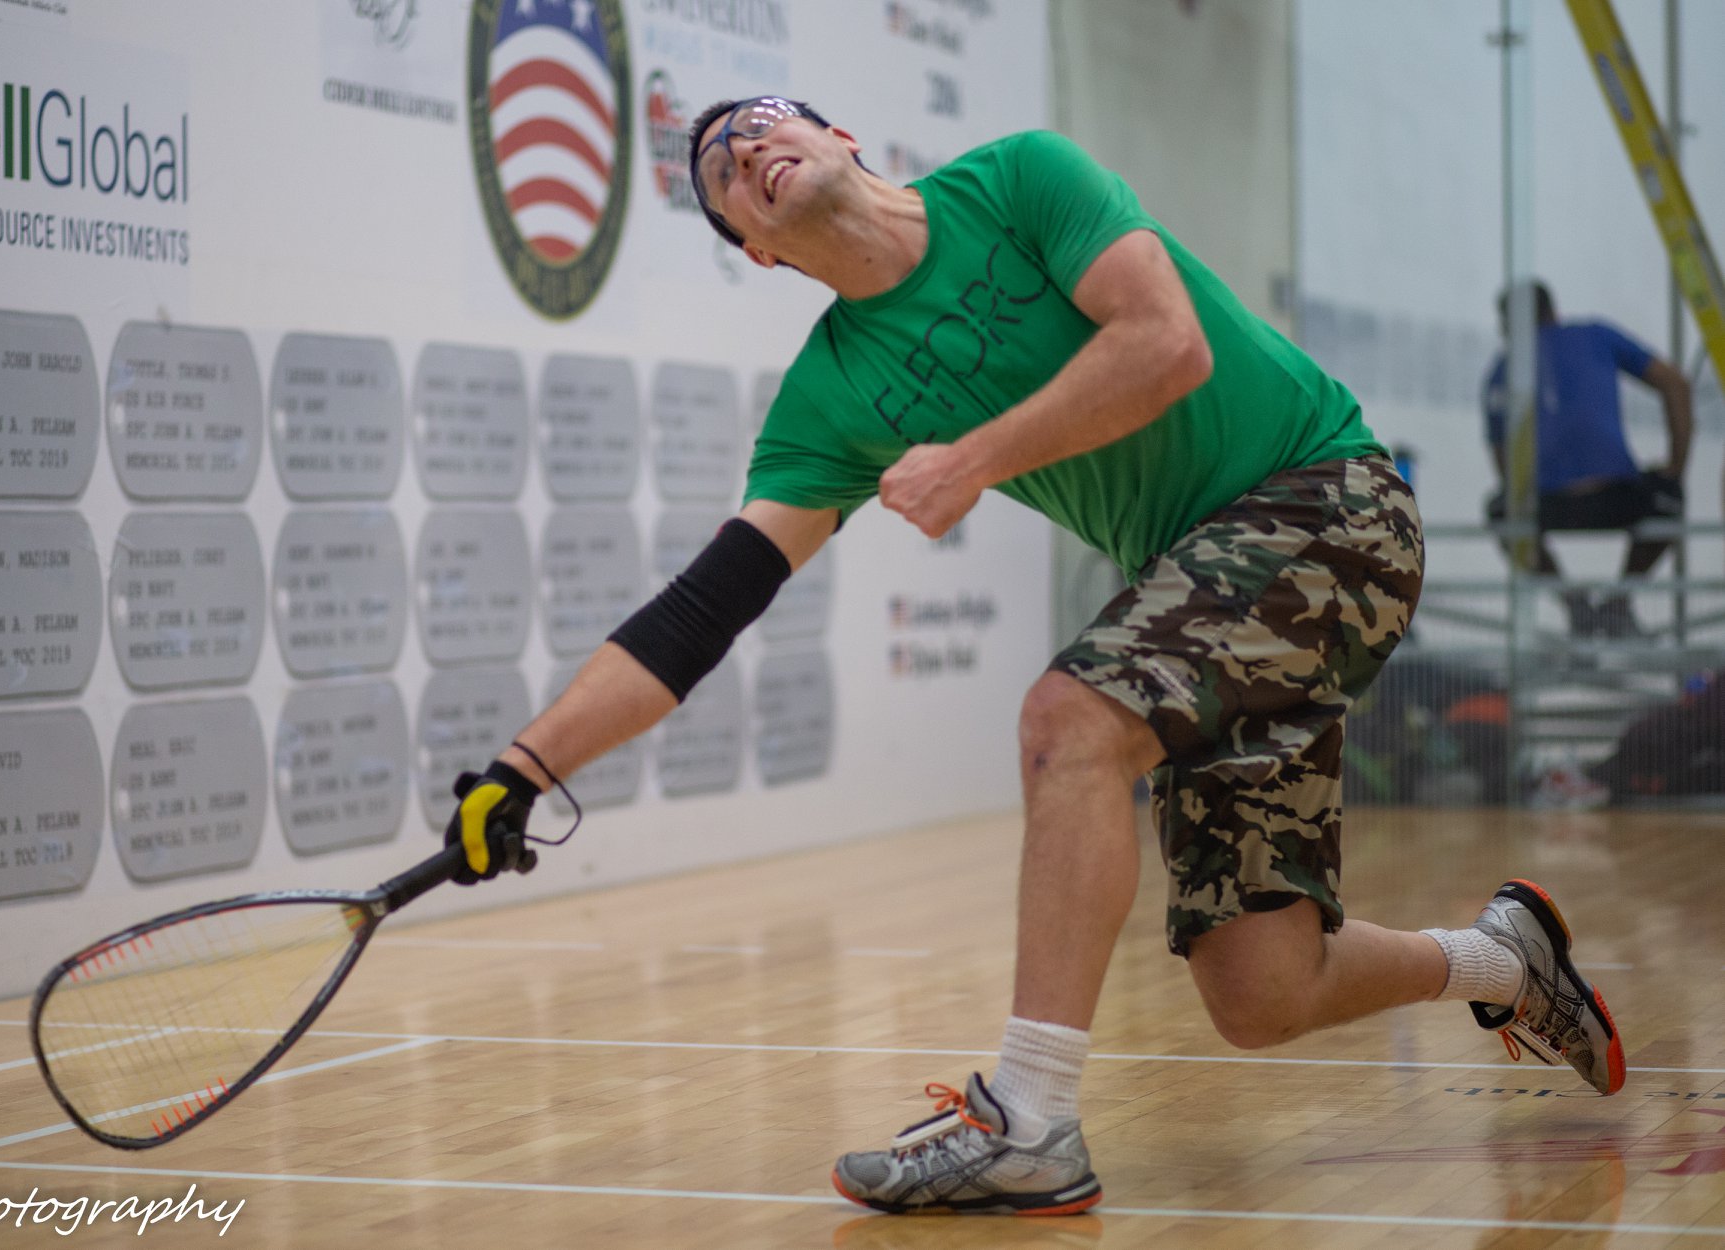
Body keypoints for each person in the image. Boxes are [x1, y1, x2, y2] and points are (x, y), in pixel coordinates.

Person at [443, 99, 1625, 1216]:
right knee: (1263, 990)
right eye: (720, 172)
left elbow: (1166, 343)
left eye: (759, 124)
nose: (744, 151)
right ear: (756, 246)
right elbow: (703, 608)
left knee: (1069, 719)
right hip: (1212, 581)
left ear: (836, 134)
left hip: (1331, 502)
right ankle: (1499, 960)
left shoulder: (1020, 180)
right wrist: (524, 769)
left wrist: (971, 459)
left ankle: (1029, 1120)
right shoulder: (836, 391)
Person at [1483, 280, 1694, 639]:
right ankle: (1617, 604)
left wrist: (1522, 492)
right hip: (1616, 497)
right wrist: (1675, 468)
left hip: (1549, 504)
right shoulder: (1595, 336)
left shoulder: (1504, 366)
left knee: (1503, 513)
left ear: (1509, 326)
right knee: (1669, 499)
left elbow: (1503, 457)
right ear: (1553, 311)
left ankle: (1577, 608)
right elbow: (1676, 384)